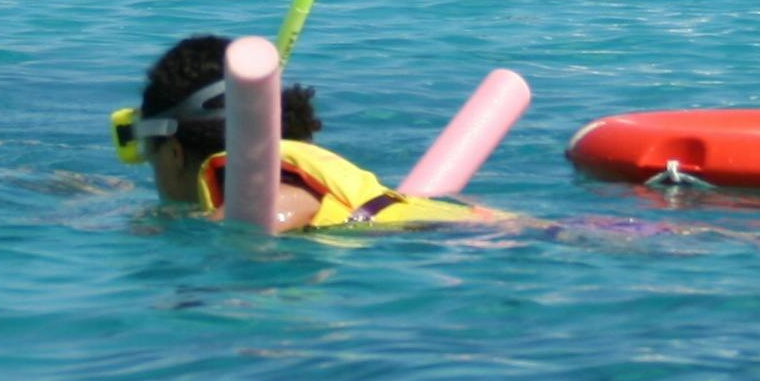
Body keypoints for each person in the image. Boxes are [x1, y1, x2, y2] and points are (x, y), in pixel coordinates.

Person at [118, 34, 488, 230]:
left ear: (173, 152)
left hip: (488, 243)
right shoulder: (268, 169)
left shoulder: (268, 185)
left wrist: (202, 229)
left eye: (148, 155)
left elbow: (289, 204)